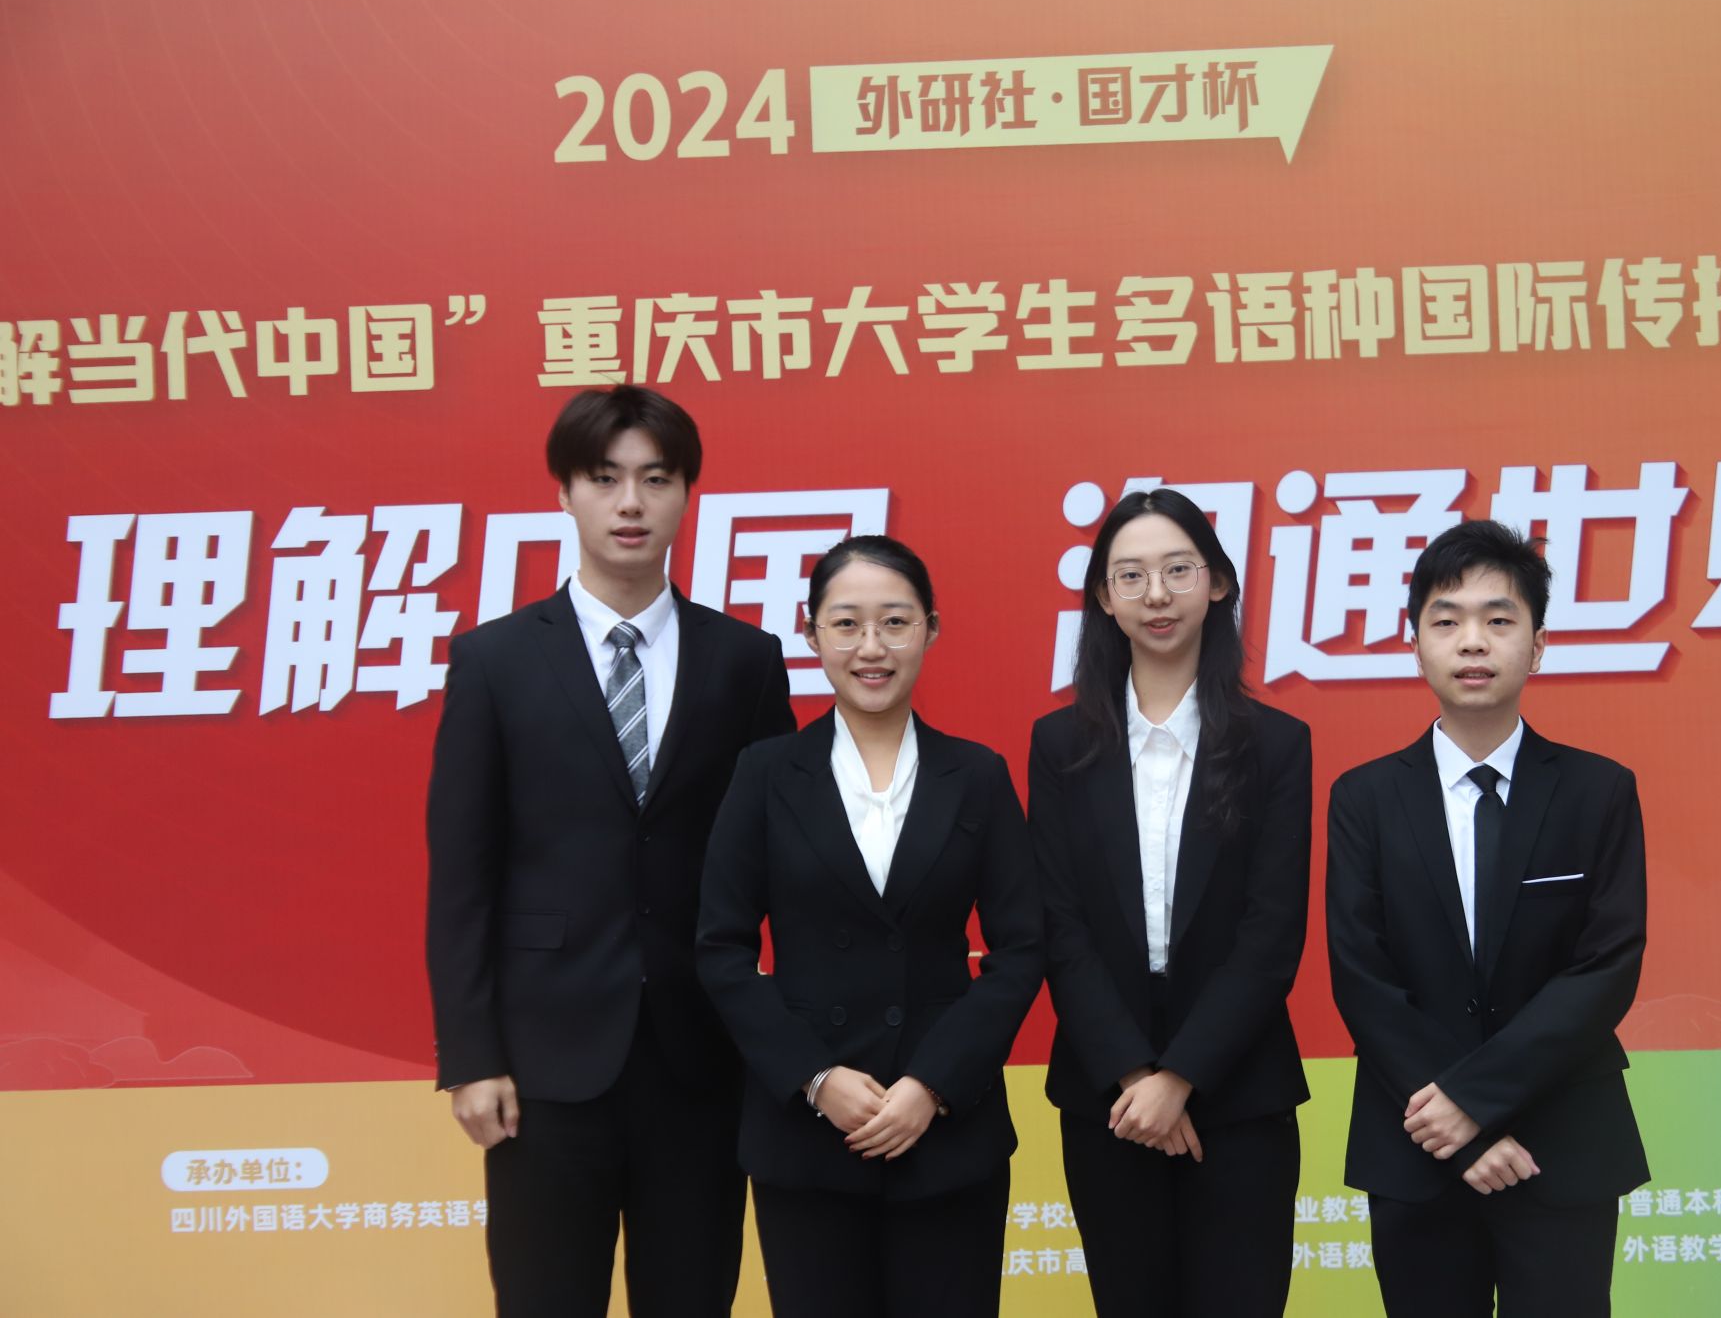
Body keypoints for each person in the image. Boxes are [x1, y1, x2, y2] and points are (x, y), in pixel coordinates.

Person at [425, 384, 795, 1317]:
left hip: (702, 1059)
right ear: (565, 493)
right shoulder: (495, 660)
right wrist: (471, 1055)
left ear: (687, 494)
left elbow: (784, 858)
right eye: (605, 478)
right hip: (542, 1067)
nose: (631, 502)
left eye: (655, 479)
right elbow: (463, 874)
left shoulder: (744, 660)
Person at [696, 536, 1043, 1318]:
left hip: (948, 1137)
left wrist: (934, 1083)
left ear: (931, 629)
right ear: (811, 633)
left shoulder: (977, 774)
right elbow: (720, 947)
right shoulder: (764, 773)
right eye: (847, 623)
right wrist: (816, 1078)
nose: (872, 647)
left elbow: (1022, 947)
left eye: (895, 621)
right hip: (807, 1139)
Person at [1326, 519, 1650, 1318]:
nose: (1473, 640)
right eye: (1447, 620)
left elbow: (1605, 967)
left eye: (1499, 619)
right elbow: (1363, 978)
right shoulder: (1365, 798)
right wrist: (1459, 1125)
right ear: (1416, 644)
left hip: (1561, 1142)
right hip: (1417, 1144)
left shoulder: (1598, 790)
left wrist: (1474, 1100)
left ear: (1537, 647)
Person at [1029, 488, 1313, 1318]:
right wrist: (1135, 1076)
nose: (1156, 594)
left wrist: (1181, 1075)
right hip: (1107, 1097)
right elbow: (1059, 925)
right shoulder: (1061, 743)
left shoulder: (1275, 743)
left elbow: (1271, 933)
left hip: (1239, 1086)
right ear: (1103, 596)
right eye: (1132, 575)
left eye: (1178, 570)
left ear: (1217, 582)